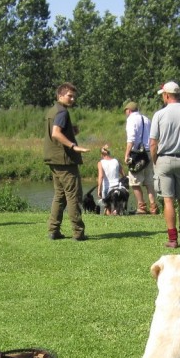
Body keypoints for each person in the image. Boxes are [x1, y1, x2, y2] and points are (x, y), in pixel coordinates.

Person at [149, 81, 180, 248]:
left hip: (164, 158)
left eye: (163, 94)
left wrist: (155, 160)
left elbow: (153, 142)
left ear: (167, 95)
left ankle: (172, 239)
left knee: (168, 200)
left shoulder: (159, 115)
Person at [44, 82, 90, 240]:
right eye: (69, 96)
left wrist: (71, 131)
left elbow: (56, 131)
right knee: (73, 196)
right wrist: (73, 146)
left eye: (73, 96)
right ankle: (78, 232)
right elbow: (56, 133)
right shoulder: (62, 112)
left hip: (54, 159)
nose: (72, 99)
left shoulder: (52, 110)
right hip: (65, 160)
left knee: (59, 195)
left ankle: (53, 230)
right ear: (60, 95)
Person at [123, 101, 158, 215]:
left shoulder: (131, 120)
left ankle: (141, 207)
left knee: (135, 181)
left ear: (128, 110)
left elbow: (131, 139)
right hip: (148, 152)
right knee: (148, 181)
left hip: (137, 153)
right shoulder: (146, 119)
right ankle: (153, 207)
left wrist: (127, 154)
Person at [96, 144, 126, 215]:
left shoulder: (100, 163)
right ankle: (117, 213)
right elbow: (123, 175)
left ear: (101, 154)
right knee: (117, 206)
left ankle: (109, 217)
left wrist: (99, 189)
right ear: (109, 152)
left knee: (107, 207)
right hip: (117, 187)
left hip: (107, 188)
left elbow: (101, 176)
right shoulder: (116, 161)